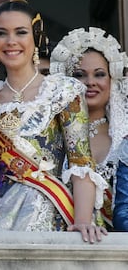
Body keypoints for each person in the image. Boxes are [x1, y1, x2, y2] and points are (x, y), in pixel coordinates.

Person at [0, 0, 108, 243]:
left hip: (45, 215)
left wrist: (83, 222)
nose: (11, 41)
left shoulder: (63, 91)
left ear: (36, 37)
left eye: (20, 32)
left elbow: (81, 163)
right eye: (2, 33)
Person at [50, 27, 128, 230]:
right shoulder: (50, 136)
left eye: (100, 74)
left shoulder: (123, 138)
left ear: (112, 80)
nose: (90, 82)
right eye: (80, 75)